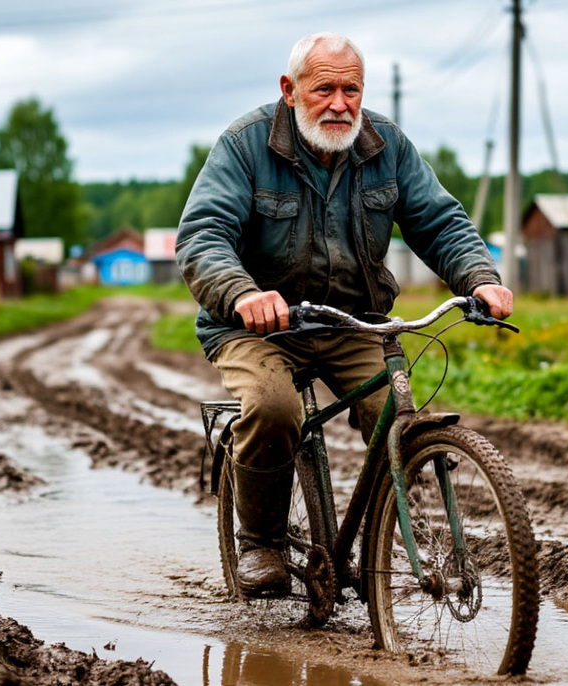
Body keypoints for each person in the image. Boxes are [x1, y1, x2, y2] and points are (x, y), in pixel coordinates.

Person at [176, 32, 513, 598]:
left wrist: (480, 277)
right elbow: (202, 235)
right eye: (324, 88)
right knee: (274, 408)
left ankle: (381, 539)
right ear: (290, 90)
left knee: (397, 415)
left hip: (352, 320)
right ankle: (261, 541)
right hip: (258, 325)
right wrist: (240, 293)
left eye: (350, 89)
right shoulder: (244, 145)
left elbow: (440, 221)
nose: (339, 103)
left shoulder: (386, 146)